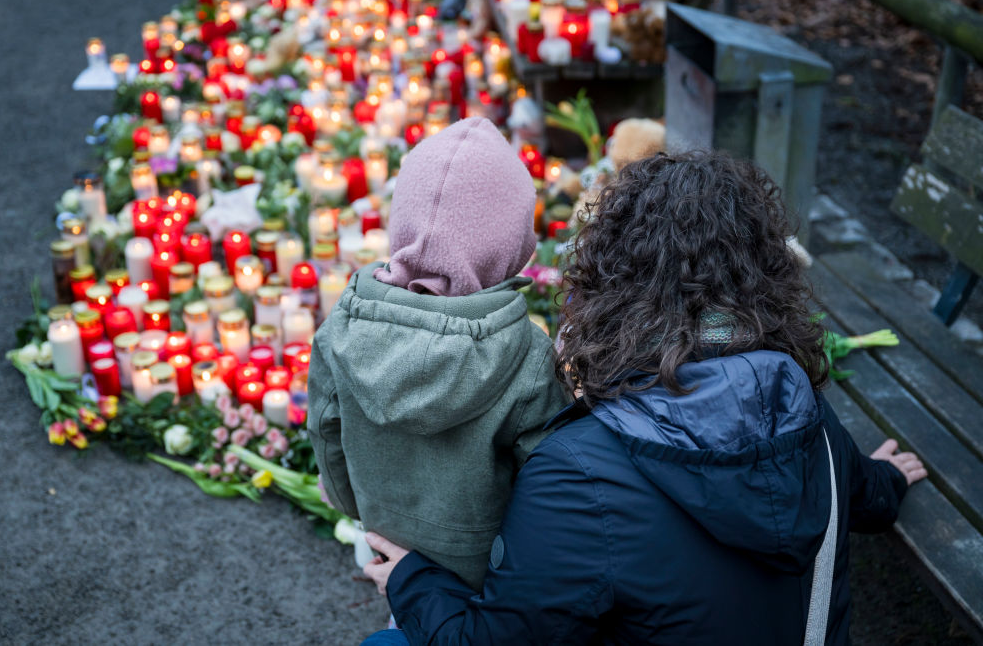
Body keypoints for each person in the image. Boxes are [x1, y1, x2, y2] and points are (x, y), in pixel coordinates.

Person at [361, 152, 927, 645]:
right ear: (768, 276)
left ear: (606, 282)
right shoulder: (807, 418)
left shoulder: (580, 472)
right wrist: (889, 478)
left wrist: (413, 579)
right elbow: (867, 496)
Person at [308, 117, 571, 592]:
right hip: (484, 565)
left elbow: (326, 433)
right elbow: (546, 481)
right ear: (513, 246)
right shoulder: (528, 358)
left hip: (385, 537)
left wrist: (354, 507)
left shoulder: (341, 330)